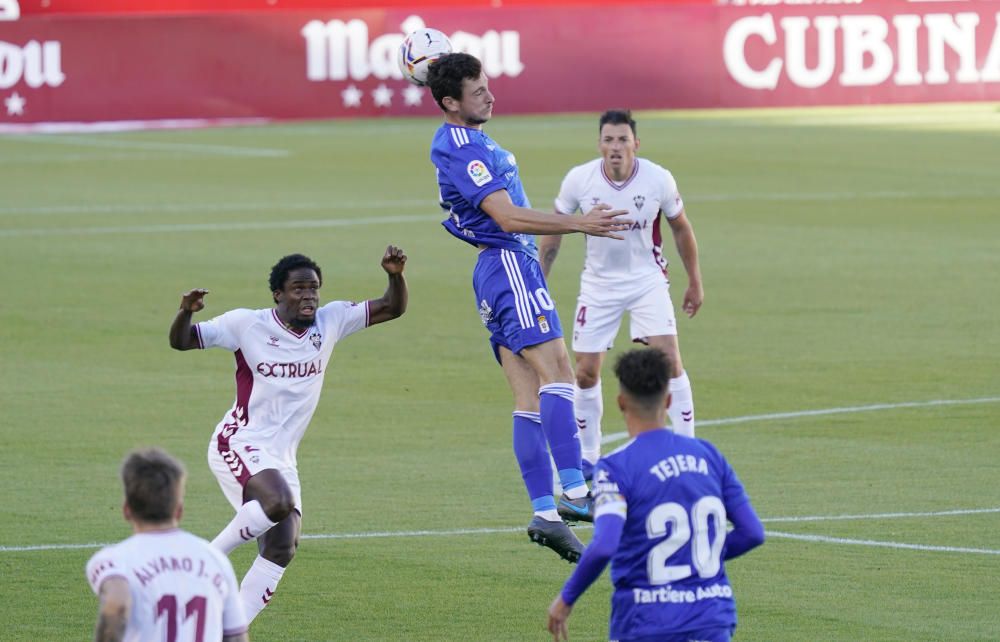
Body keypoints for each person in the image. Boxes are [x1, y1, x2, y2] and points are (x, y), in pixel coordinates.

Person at [425, 53, 634, 563]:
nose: (490, 95)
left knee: (529, 397)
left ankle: (544, 512)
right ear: (452, 103)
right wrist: (579, 224)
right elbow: (506, 215)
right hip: (507, 262)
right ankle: (575, 492)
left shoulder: (463, 139)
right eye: (478, 92)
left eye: (488, 86)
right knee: (559, 372)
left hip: (494, 271)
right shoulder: (460, 146)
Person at [168, 246, 407, 624]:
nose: (308, 296)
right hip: (239, 441)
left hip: (282, 456)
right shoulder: (246, 324)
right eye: (298, 288)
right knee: (278, 502)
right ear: (278, 294)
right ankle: (206, 559)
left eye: (313, 288)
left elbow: (391, 308)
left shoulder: (332, 320)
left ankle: (230, 628)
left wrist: (394, 275)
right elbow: (182, 340)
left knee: (283, 545)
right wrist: (186, 312)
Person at [546, 348, 764, 642]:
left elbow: (604, 545)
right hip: (712, 617)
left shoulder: (615, 468)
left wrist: (566, 599)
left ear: (621, 402)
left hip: (647, 622)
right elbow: (752, 532)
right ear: (670, 400)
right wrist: (697, 556)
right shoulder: (709, 456)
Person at [538, 109, 703, 477]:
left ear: (636, 144)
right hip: (598, 285)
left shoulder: (658, 178)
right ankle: (590, 457)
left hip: (647, 281)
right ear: (599, 144)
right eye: (609, 140)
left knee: (670, 361)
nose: (615, 147)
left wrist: (695, 280)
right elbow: (554, 230)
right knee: (584, 372)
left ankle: (689, 448)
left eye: (623, 140)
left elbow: (681, 229)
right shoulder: (579, 180)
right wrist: (540, 280)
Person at [85, 448, 249, 642]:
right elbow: (237, 637)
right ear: (179, 511)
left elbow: (117, 601)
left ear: (126, 511)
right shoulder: (216, 560)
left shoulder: (113, 559)